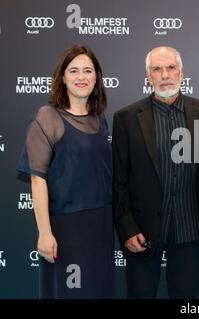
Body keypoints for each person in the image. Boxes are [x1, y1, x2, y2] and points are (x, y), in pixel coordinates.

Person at [112, 46, 199, 299]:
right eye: (157, 69)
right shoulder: (126, 118)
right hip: (143, 231)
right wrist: (127, 228)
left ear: (181, 73)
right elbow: (119, 181)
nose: (165, 74)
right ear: (148, 76)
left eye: (171, 68)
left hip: (189, 229)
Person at [17, 44, 114, 298]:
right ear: (62, 77)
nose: (81, 77)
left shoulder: (99, 118)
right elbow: (38, 180)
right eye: (74, 71)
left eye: (87, 71)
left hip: (101, 225)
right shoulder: (48, 117)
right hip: (67, 229)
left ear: (96, 77)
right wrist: (45, 233)